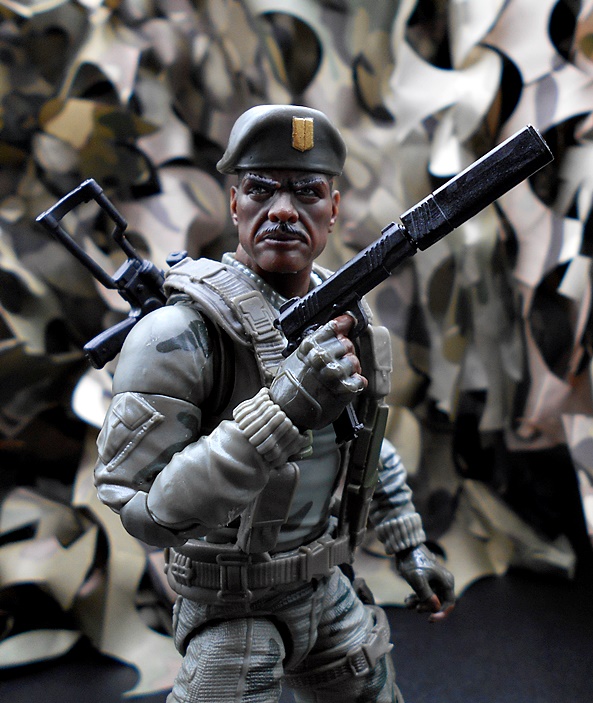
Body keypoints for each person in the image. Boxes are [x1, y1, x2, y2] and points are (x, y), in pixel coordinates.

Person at [94, 104, 455, 703]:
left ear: (333, 209)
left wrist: (409, 545)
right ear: (234, 203)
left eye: (307, 192)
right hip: (231, 606)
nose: (284, 211)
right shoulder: (178, 335)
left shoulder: (347, 315)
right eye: (261, 190)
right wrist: (282, 413)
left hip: (326, 587)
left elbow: (365, 445)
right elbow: (145, 511)